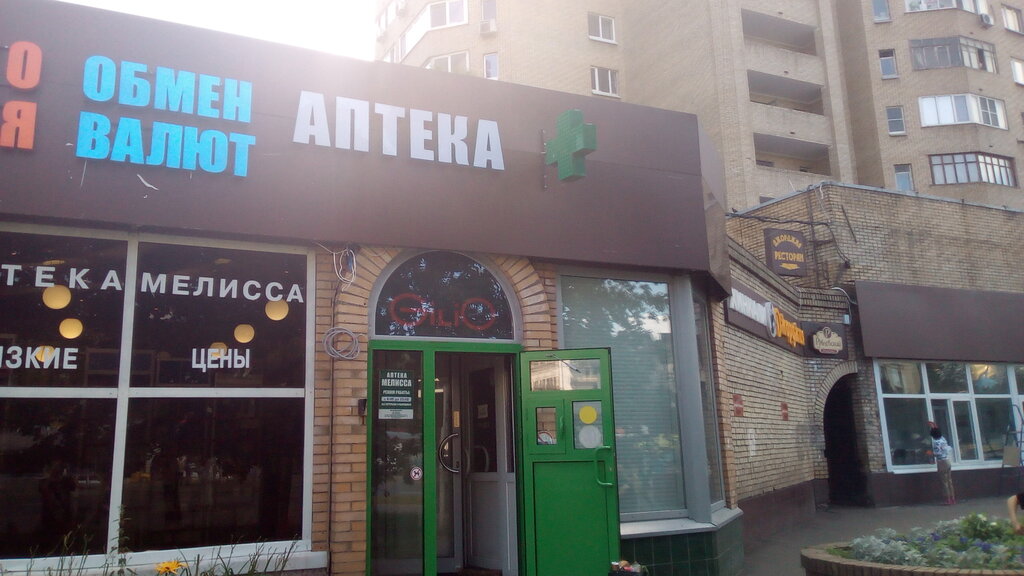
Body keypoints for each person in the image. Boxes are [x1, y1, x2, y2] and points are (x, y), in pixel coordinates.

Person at [930, 426, 955, 505]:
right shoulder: (943, 439)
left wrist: (930, 453)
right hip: (947, 461)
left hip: (941, 462)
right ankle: (953, 498)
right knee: (949, 481)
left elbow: (937, 453)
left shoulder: (936, 442)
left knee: (944, 482)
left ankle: (948, 499)